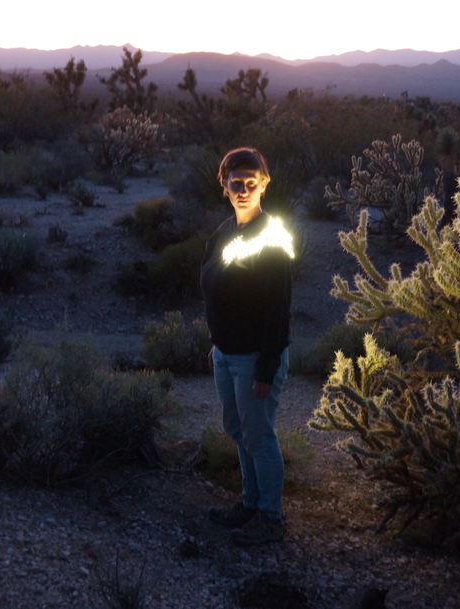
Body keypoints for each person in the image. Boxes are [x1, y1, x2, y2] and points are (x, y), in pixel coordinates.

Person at [200, 147, 294, 546]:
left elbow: (278, 309)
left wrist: (266, 367)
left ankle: (270, 518)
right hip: (227, 352)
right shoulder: (225, 232)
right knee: (239, 431)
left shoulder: (271, 238)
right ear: (223, 185)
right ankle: (249, 504)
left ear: (264, 185)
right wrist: (217, 345)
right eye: (234, 182)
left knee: (259, 436)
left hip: (256, 357)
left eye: (250, 183)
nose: (242, 190)